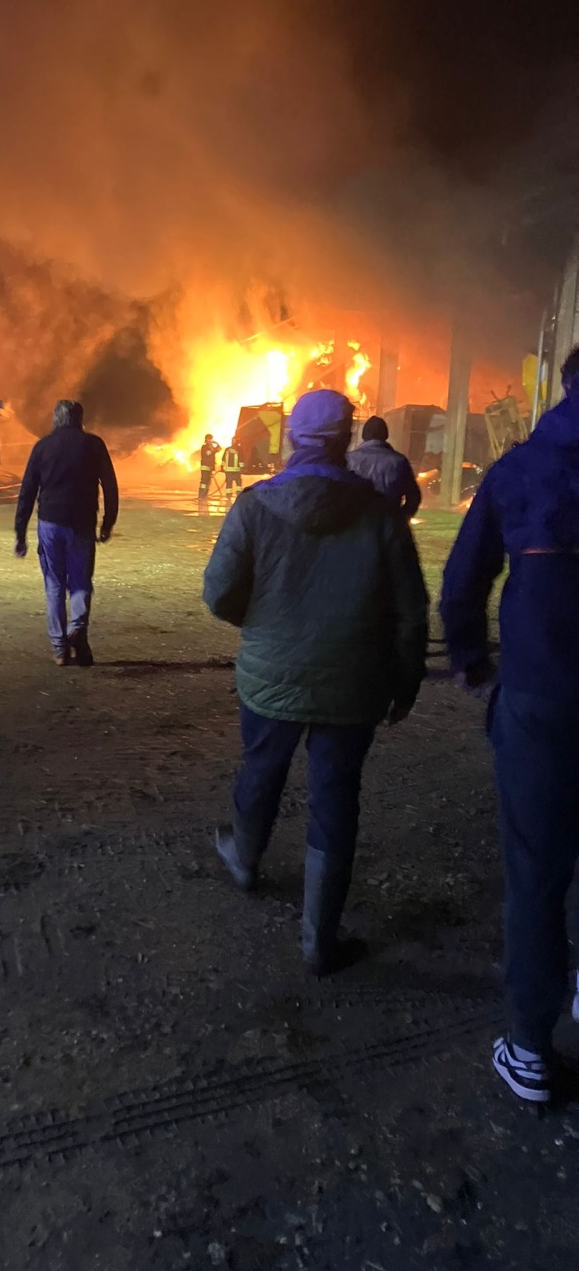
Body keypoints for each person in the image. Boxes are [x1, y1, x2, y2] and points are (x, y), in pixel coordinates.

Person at [203, 389, 428, 975]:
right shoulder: (381, 514)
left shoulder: (253, 506)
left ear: (291, 439)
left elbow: (219, 594)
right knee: (336, 797)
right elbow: (410, 610)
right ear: (346, 439)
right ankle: (319, 941)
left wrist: (263, 627)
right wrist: (406, 680)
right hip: (353, 683)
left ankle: (244, 858)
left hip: (269, 678)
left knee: (261, 767)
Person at [440, 344, 579, 1104]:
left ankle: (529, 1049)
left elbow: (464, 579)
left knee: (536, 872)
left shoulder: (520, 469)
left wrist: (471, 660)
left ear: (565, 384)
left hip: (540, 698)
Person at [15, 399, 119, 667]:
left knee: (54, 584)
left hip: (50, 523)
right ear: (80, 420)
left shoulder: (43, 446)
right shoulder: (93, 445)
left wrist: (20, 532)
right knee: (81, 581)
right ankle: (78, 628)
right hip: (83, 523)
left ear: (55, 419)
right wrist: (108, 522)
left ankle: (60, 649)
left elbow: (27, 491)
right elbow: (110, 485)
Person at [347, 415, 422, 518]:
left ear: (364, 436)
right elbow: (413, 496)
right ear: (385, 435)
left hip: (355, 520)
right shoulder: (399, 461)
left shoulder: (349, 459)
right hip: (387, 520)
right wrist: (401, 519)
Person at [198, 434, 221, 499]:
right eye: (209, 439)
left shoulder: (211, 447)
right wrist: (212, 448)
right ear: (206, 439)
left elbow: (219, 449)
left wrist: (216, 443)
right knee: (204, 482)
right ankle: (201, 495)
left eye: (211, 439)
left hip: (210, 467)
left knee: (208, 482)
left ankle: (205, 496)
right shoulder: (204, 446)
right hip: (205, 467)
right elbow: (208, 453)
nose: (210, 440)